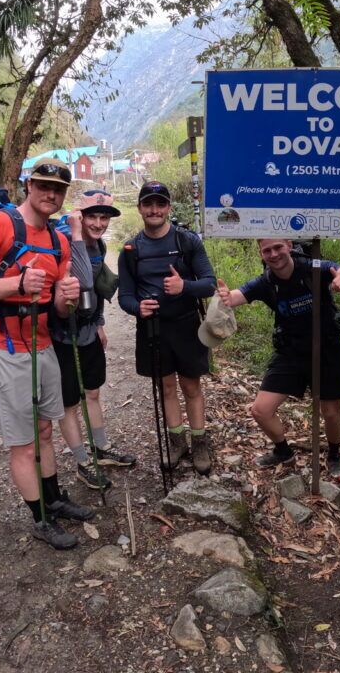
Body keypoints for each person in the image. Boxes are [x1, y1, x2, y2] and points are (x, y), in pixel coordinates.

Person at [0, 158, 94, 550]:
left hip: (41, 344)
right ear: (27, 186)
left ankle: (54, 498)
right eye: (43, 185)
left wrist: (64, 300)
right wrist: (17, 282)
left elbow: (58, 308)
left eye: (58, 189)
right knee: (24, 443)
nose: (50, 194)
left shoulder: (58, 240)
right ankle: (40, 519)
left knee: (46, 430)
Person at [216, 238, 340, 478]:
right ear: (261, 253)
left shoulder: (314, 267)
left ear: (288, 245)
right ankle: (282, 451)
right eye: (267, 250)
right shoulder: (265, 281)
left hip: (327, 349)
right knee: (260, 410)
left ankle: (334, 455)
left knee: (330, 411)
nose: (274, 254)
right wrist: (225, 296)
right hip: (290, 353)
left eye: (278, 247)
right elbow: (238, 296)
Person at [118, 181, 217, 474]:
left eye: (160, 204)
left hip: (187, 326)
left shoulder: (187, 242)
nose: (154, 210)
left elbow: (209, 283)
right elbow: (124, 296)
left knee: (191, 384)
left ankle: (199, 440)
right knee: (166, 385)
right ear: (139, 208)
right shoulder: (130, 249)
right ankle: (177, 440)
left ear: (169, 208)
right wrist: (139, 307)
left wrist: (183, 286)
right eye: (148, 204)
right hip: (152, 328)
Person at [53, 190, 137, 492]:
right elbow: (82, 281)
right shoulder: (62, 241)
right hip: (62, 335)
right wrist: (76, 233)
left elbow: (97, 288)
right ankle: (82, 462)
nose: (99, 223)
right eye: (93, 216)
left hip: (88, 331)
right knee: (69, 403)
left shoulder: (99, 244)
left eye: (104, 217)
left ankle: (101, 450)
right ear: (80, 215)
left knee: (93, 393)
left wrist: (100, 323)